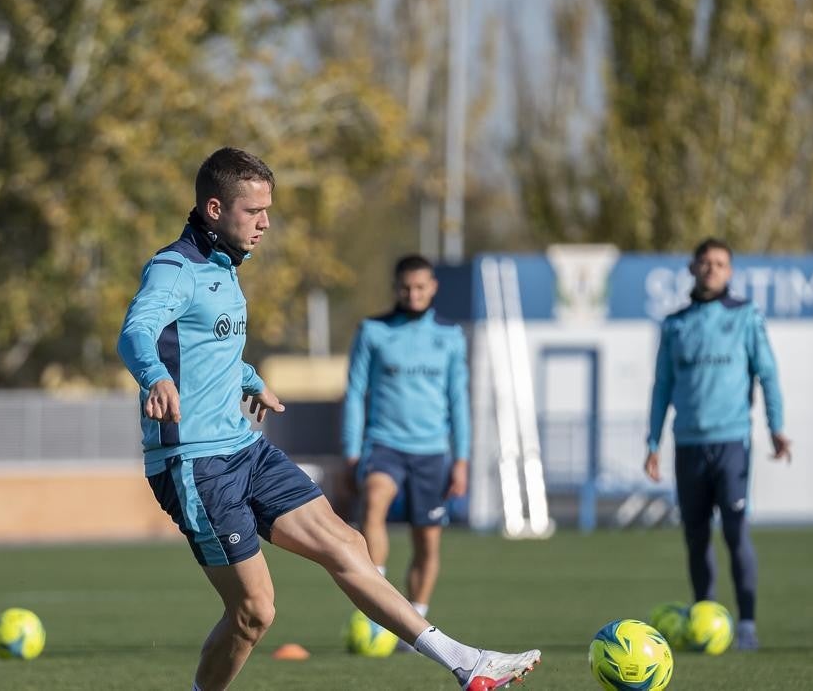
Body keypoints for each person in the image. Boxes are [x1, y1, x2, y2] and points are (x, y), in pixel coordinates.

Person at [117, 147, 539, 691]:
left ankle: (465, 663)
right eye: (254, 212)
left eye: (269, 210)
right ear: (216, 209)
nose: (266, 223)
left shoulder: (225, 269)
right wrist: (153, 376)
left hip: (245, 448)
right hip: (195, 464)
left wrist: (249, 380)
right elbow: (134, 332)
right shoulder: (174, 269)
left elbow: (204, 348)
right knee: (254, 613)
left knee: (349, 545)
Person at [643, 237, 791, 652]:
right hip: (688, 445)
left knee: (735, 532)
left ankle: (745, 624)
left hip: (731, 444)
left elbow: (768, 373)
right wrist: (652, 442)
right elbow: (662, 388)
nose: (711, 269)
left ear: (730, 271)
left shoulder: (745, 316)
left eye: (720, 263)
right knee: (695, 537)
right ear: (692, 268)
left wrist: (776, 427)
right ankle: (705, 618)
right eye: (705, 262)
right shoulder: (675, 324)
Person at [342, 255, 470, 644]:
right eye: (405, 288)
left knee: (427, 541)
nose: (412, 294)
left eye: (420, 287)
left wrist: (461, 458)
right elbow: (354, 394)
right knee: (375, 500)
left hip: (432, 452)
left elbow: (458, 399)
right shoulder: (373, 331)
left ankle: (418, 626)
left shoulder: (450, 336)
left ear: (432, 288)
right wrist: (352, 451)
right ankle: (378, 595)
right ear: (395, 288)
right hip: (385, 445)